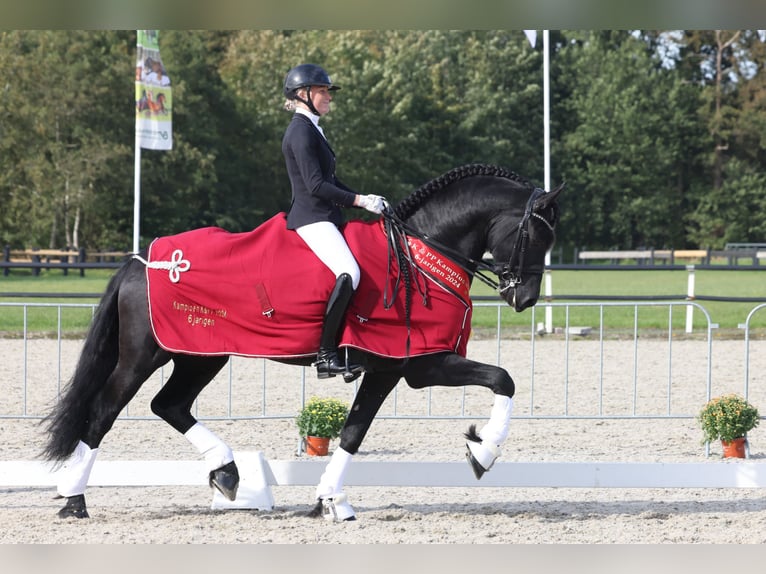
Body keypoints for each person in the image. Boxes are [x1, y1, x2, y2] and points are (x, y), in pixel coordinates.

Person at [281, 63, 386, 380]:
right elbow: (316, 185)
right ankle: (326, 356)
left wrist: (366, 199)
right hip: (312, 217)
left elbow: (333, 179)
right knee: (349, 271)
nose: (328, 96)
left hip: (325, 214)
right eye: (323, 91)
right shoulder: (300, 131)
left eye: (327, 91)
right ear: (304, 94)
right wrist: (358, 201)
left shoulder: (312, 127)